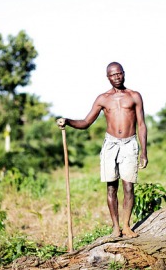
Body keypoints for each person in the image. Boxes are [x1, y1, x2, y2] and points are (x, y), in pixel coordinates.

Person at [56, 62, 148, 238]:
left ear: (124, 74)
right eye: (113, 75)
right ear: (108, 77)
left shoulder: (134, 96)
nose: (117, 77)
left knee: (128, 186)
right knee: (111, 186)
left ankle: (127, 225)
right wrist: (67, 121)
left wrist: (144, 152)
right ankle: (115, 227)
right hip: (110, 144)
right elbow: (85, 122)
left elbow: (142, 125)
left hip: (129, 143)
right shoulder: (103, 99)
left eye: (119, 74)